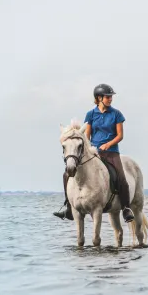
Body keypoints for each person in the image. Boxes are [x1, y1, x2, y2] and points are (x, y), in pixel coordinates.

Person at [54, 83, 135, 223]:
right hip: (95, 152)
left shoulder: (117, 114)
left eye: (111, 97)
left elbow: (120, 135)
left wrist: (108, 144)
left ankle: (126, 208)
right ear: (99, 98)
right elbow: (87, 136)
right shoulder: (91, 114)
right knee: (67, 174)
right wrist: (90, 149)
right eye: (108, 96)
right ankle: (68, 206)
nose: (110, 99)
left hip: (111, 152)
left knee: (121, 178)